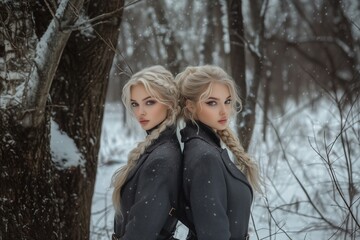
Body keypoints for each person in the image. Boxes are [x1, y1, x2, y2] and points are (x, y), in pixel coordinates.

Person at [175, 65, 261, 240]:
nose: (224, 111)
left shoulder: (207, 148)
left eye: (227, 101)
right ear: (190, 106)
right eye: (212, 103)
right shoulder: (205, 158)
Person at [111, 65, 182, 240]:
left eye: (150, 102)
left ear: (170, 104)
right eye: (135, 104)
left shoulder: (162, 158)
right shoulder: (157, 149)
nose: (140, 112)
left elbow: (141, 233)